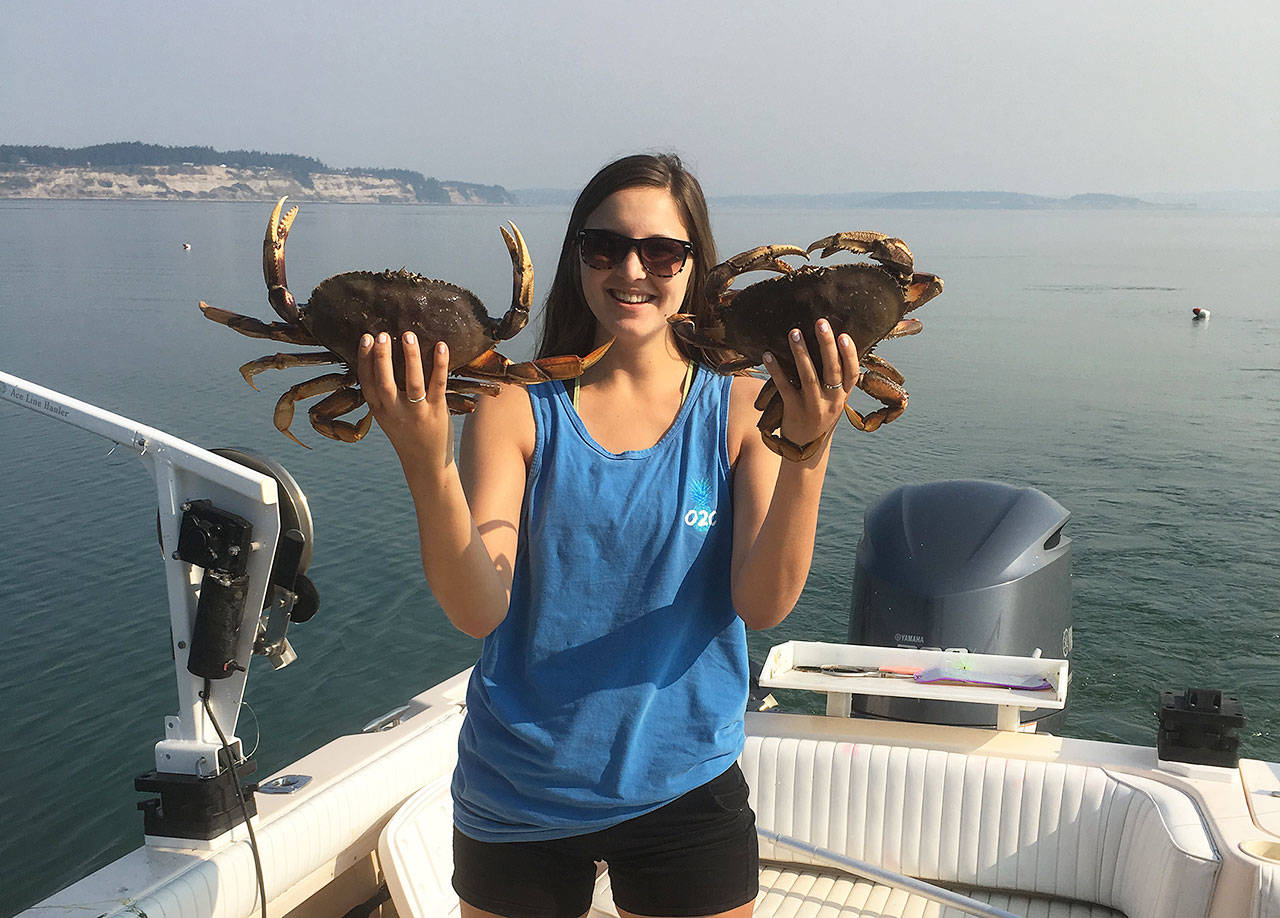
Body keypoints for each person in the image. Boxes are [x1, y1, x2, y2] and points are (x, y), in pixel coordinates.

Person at [357, 153, 860, 918]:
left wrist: (809, 448)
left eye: (661, 251)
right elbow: (479, 609)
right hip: (521, 787)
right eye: (606, 246)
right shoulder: (514, 404)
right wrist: (428, 466)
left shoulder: (741, 409)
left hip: (685, 782)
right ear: (577, 257)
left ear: (695, 266)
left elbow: (762, 605)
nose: (632, 270)